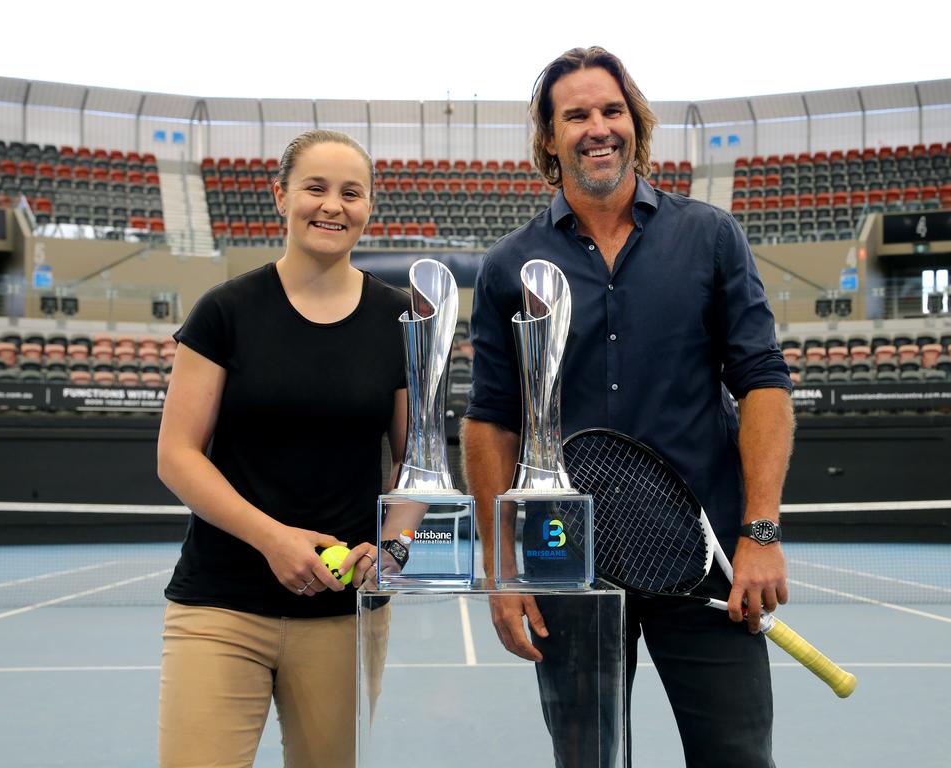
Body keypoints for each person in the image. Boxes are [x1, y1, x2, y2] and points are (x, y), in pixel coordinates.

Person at [462, 47, 794, 767]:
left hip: (706, 558)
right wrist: (501, 568)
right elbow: (491, 420)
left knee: (737, 757)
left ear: (635, 124)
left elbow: (763, 382)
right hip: (565, 563)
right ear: (550, 137)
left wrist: (760, 532)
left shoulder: (709, 236)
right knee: (589, 760)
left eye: (612, 110)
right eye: (575, 114)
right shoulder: (507, 266)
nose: (597, 127)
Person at [156, 129, 408, 768]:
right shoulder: (225, 311)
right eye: (315, 188)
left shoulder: (402, 322)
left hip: (343, 613)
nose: (332, 205)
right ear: (280, 197)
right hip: (220, 603)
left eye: (350, 193)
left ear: (369, 207)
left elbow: (418, 461)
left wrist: (395, 547)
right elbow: (178, 455)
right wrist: (274, 539)